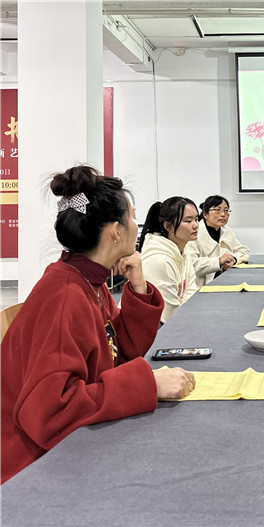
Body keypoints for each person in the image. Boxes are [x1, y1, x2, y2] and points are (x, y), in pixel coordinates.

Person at [1, 165, 195, 484]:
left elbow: (120, 352)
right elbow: (49, 412)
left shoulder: (89, 282)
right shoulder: (65, 297)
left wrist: (138, 288)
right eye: (132, 218)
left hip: (58, 448)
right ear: (115, 231)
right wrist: (149, 385)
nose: (137, 226)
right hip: (29, 466)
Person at [139, 197, 200, 324]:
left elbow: (190, 289)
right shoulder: (158, 260)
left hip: (175, 321)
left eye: (196, 219)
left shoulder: (183, 249)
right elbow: (169, 315)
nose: (196, 225)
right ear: (168, 226)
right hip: (152, 330)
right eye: (188, 221)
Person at [186, 195, 250, 287]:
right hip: (200, 287)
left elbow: (244, 251)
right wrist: (218, 261)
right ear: (205, 214)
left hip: (227, 282)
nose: (223, 214)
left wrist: (234, 259)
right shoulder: (195, 232)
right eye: (217, 210)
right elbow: (192, 264)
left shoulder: (227, 231)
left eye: (226, 210)